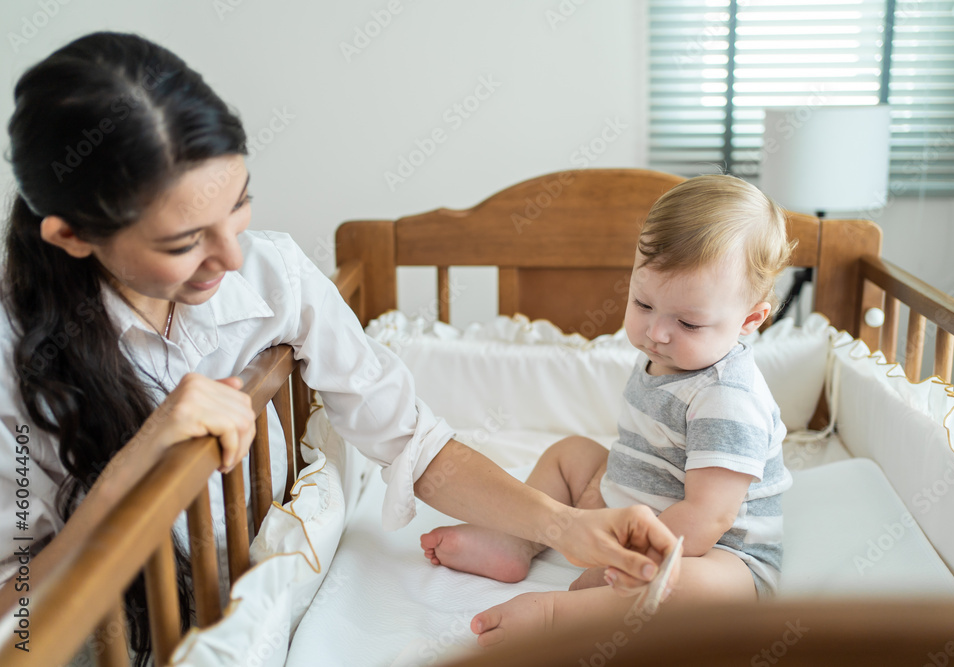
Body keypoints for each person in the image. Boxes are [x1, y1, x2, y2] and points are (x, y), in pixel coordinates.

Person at [0, 31, 677, 664]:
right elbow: (17, 608)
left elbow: (414, 442)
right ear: (70, 236)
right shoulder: (15, 361)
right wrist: (135, 465)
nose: (232, 256)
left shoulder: (274, 276)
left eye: (240, 204)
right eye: (184, 242)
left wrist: (564, 527)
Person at [421, 173, 795, 646]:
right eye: (642, 303)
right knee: (571, 454)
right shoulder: (669, 353)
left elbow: (706, 518)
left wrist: (623, 561)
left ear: (749, 321)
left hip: (714, 552)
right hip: (630, 502)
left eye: (688, 321)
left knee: (695, 588)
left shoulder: (728, 397)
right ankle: (515, 538)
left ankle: (564, 616)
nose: (657, 332)